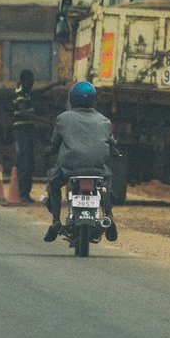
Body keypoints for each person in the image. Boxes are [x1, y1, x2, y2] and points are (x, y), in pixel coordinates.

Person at [43, 80, 117, 244]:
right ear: (93, 99)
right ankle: (109, 215)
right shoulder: (104, 121)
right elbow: (111, 143)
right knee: (107, 182)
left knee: (53, 183)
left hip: (69, 169)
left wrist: (49, 151)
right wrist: (115, 152)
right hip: (97, 170)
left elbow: (55, 143)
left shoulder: (63, 118)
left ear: (71, 99)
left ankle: (56, 220)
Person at [9, 69, 42, 204]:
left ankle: (25, 194)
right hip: (22, 131)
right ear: (25, 81)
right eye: (30, 80)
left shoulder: (26, 92)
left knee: (29, 163)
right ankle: (21, 194)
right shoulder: (21, 93)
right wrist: (43, 120)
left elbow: (40, 92)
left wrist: (55, 84)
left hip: (27, 131)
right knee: (24, 162)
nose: (32, 83)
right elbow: (23, 113)